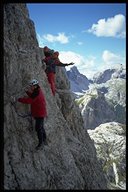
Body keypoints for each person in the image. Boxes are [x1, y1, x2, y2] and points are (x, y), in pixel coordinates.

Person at [18, 79, 47, 150]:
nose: (30, 87)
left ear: (35, 86)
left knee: (38, 128)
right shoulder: (37, 91)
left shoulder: (36, 93)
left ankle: (41, 144)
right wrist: (27, 92)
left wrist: (19, 99)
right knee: (41, 127)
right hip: (40, 112)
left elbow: (29, 101)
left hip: (39, 113)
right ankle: (44, 139)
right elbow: (32, 96)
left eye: (31, 86)